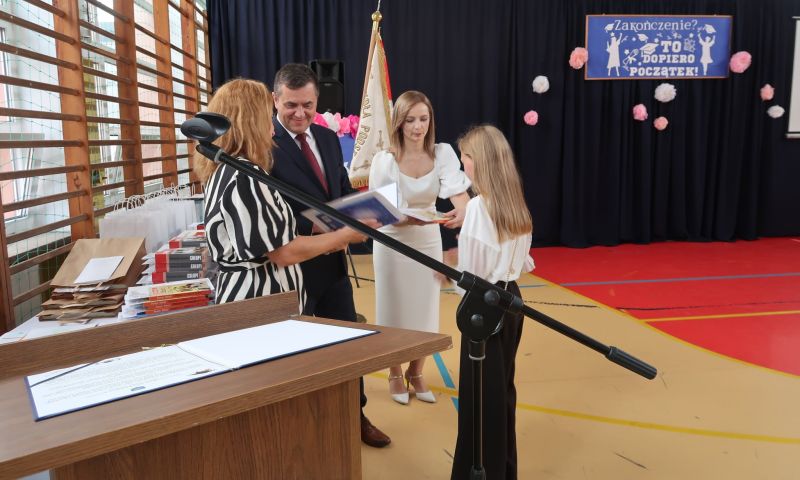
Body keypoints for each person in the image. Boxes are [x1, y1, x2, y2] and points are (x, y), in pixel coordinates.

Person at [268, 63, 391, 448]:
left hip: (333, 266)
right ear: (275, 100)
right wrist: (320, 228)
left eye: (307, 105)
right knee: (298, 357)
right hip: (292, 269)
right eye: (291, 105)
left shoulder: (325, 137)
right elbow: (268, 211)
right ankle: (303, 432)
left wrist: (363, 211)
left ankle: (355, 415)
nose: (300, 113)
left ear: (317, 101)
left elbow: (338, 189)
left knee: (348, 346)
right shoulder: (263, 144)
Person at [194, 78, 368, 309]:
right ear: (250, 123)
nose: (273, 128)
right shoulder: (244, 175)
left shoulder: (228, 169)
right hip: (260, 302)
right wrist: (345, 235)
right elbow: (283, 252)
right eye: (267, 117)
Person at [369, 90, 470, 405]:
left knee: (425, 309)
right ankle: (394, 372)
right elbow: (380, 210)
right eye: (410, 120)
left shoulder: (442, 153)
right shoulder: (385, 159)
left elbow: (459, 195)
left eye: (423, 119)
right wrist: (405, 219)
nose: (417, 126)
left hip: (428, 240)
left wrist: (462, 212)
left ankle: (416, 372)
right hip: (391, 240)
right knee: (393, 309)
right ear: (399, 122)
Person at [450, 125, 534, 480]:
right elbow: (523, 261)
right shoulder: (513, 201)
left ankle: (479, 472)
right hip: (512, 300)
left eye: (466, 157)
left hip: (484, 310)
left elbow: (472, 274)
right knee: (502, 392)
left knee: (480, 399)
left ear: (480, 162)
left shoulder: (478, 208)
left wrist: (449, 271)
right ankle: (503, 470)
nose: (463, 164)